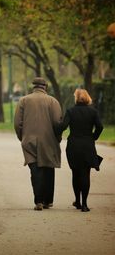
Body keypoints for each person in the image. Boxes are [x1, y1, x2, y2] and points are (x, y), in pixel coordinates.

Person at [14, 77, 62, 211]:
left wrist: (22, 137)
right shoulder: (53, 101)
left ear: (33, 86)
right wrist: (57, 139)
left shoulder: (23, 100)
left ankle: (38, 201)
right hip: (48, 140)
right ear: (45, 87)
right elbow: (58, 124)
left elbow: (18, 123)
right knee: (48, 168)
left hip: (29, 140)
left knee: (35, 170)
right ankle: (48, 200)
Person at [56, 89, 103, 212]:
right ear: (88, 98)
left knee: (76, 174)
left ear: (76, 98)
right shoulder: (93, 112)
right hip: (88, 145)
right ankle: (84, 204)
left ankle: (77, 201)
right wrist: (94, 137)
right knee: (85, 174)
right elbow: (100, 127)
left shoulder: (71, 111)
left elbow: (63, 126)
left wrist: (55, 127)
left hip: (74, 146)